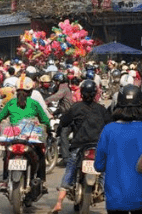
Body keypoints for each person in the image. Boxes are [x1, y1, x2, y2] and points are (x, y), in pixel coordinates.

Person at [50, 80, 112, 213]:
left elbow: (64, 121)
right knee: (104, 170)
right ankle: (104, 190)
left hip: (79, 146)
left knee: (70, 170)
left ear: (81, 93)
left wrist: (61, 127)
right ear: (95, 93)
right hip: (97, 146)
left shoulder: (76, 107)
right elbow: (110, 125)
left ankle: (59, 202)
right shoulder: (101, 109)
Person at [95, 85, 142, 214]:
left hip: (115, 199)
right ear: (140, 106)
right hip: (141, 197)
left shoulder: (108, 130)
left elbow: (98, 165)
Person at [0, 77, 50, 192]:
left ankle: (5, 180)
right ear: (30, 91)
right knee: (40, 155)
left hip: (13, 138)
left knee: (7, 155)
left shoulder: (10, 103)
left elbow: (0, 118)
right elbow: (45, 120)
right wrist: (48, 129)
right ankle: (41, 180)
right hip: (31, 138)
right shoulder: (34, 104)